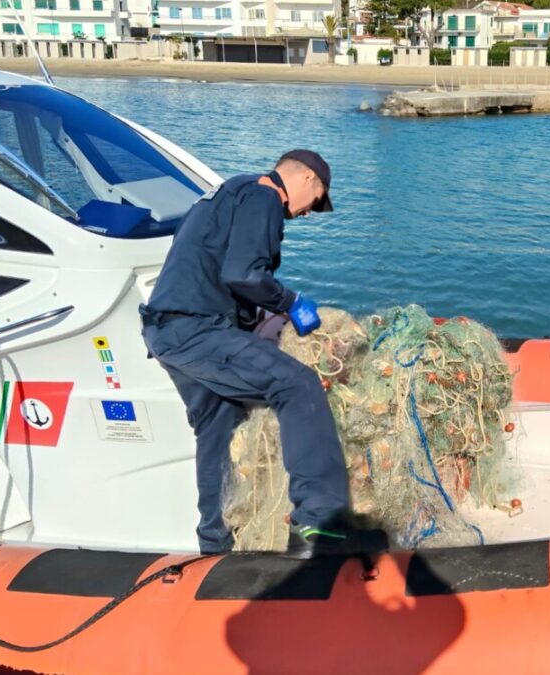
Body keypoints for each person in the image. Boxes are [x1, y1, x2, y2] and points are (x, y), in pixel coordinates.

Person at [140, 149, 386, 558]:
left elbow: (220, 271)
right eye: (317, 201)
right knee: (297, 385)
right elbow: (243, 273)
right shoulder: (265, 197)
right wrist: (289, 302)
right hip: (197, 329)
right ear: (307, 179)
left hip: (167, 331)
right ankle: (320, 523)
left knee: (219, 424)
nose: (308, 214)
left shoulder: (233, 190)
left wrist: (254, 317)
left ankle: (215, 542)